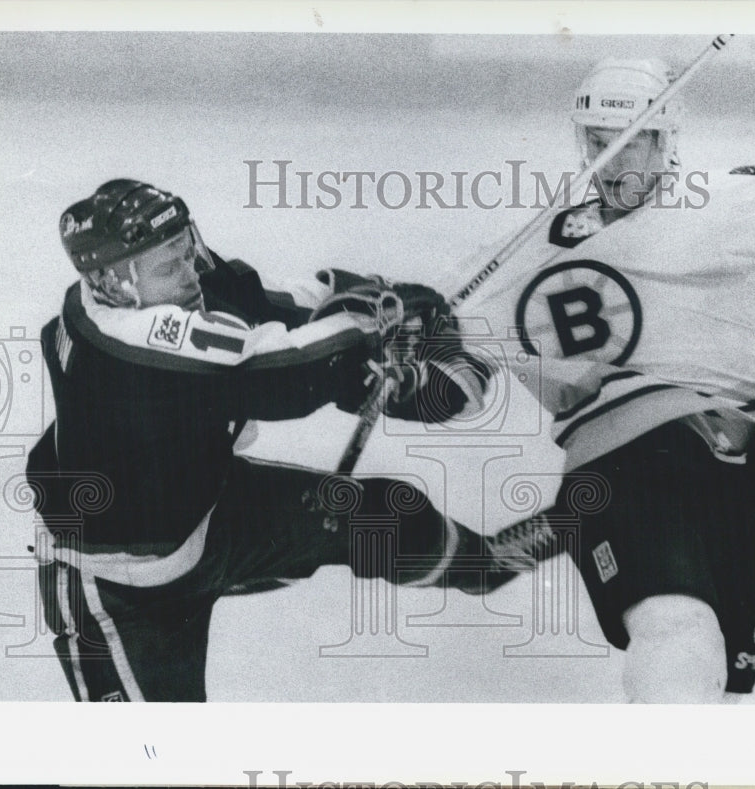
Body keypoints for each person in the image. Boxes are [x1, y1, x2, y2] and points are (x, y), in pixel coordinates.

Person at [461, 58, 755, 702]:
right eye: (597, 144)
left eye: (630, 144)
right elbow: (448, 372)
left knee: (721, 692)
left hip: (738, 459)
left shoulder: (728, 200)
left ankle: (563, 528)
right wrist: (396, 345)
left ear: (667, 139)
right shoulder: (531, 249)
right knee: (677, 632)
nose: (611, 163)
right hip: (623, 453)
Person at [26, 178, 508, 702]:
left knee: (390, 514)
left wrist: (358, 293)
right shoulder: (130, 344)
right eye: (171, 265)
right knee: (150, 760)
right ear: (112, 282)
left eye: (187, 250)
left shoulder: (152, 288)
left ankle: (485, 565)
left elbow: (260, 301)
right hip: (117, 587)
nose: (191, 272)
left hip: (209, 512)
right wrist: (370, 330)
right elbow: (279, 373)